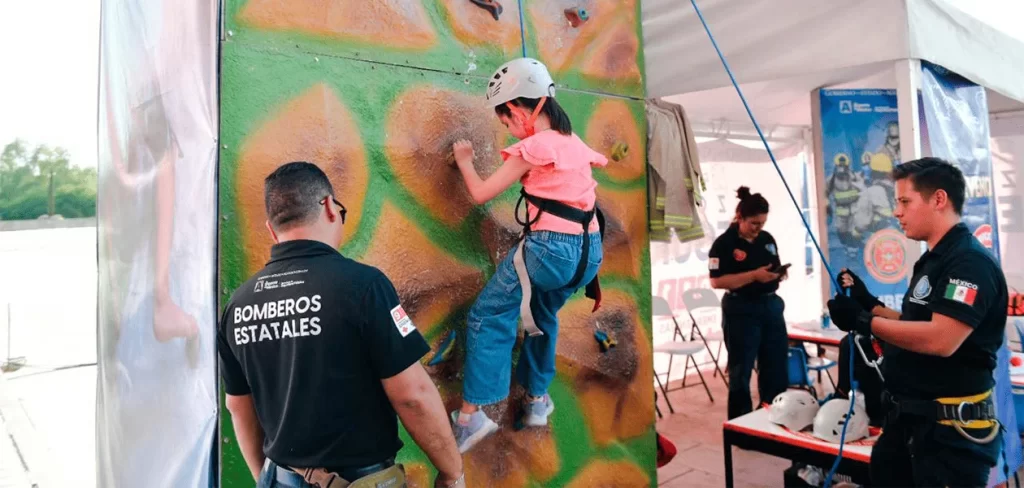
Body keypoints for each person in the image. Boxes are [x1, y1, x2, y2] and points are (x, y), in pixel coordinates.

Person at [216, 162, 465, 488]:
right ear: (330, 207)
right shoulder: (363, 286)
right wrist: (451, 473)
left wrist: (267, 477)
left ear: (272, 230)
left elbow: (237, 406)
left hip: (280, 477)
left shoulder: (239, 304)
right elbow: (412, 395)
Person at [448, 57, 606, 453]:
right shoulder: (574, 144)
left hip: (550, 251)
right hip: (588, 254)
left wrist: (465, 162)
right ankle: (537, 401)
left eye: (505, 121)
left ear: (517, 111)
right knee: (541, 317)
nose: (508, 128)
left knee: (488, 315)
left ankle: (472, 416)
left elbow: (483, 193)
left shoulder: (534, 146)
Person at [827, 157, 1007, 487]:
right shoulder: (934, 259)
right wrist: (871, 305)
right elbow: (916, 323)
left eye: (905, 201)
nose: (897, 212)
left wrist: (865, 322)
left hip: (949, 439)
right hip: (910, 427)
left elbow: (941, 338)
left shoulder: (968, 263)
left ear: (939, 199)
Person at [707, 186, 789, 420]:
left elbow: (774, 264)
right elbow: (716, 281)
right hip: (741, 309)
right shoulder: (724, 244)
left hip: (771, 306)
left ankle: (774, 418)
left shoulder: (766, 239)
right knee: (741, 370)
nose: (758, 228)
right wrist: (754, 276)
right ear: (740, 218)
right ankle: (741, 425)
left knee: (775, 366)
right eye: (754, 223)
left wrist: (778, 274)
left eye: (762, 223)